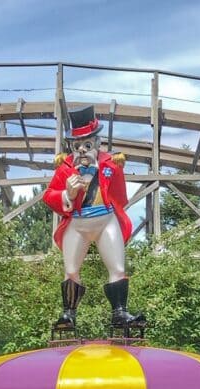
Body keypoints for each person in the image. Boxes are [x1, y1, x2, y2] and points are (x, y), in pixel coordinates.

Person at [43, 105, 144, 333]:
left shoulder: (111, 165)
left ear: (97, 144)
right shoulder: (65, 170)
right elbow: (49, 196)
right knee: (71, 269)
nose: (81, 151)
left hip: (105, 219)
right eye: (77, 146)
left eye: (87, 145)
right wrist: (67, 194)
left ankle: (119, 312)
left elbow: (120, 197)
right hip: (77, 222)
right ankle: (68, 314)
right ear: (71, 146)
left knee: (117, 266)